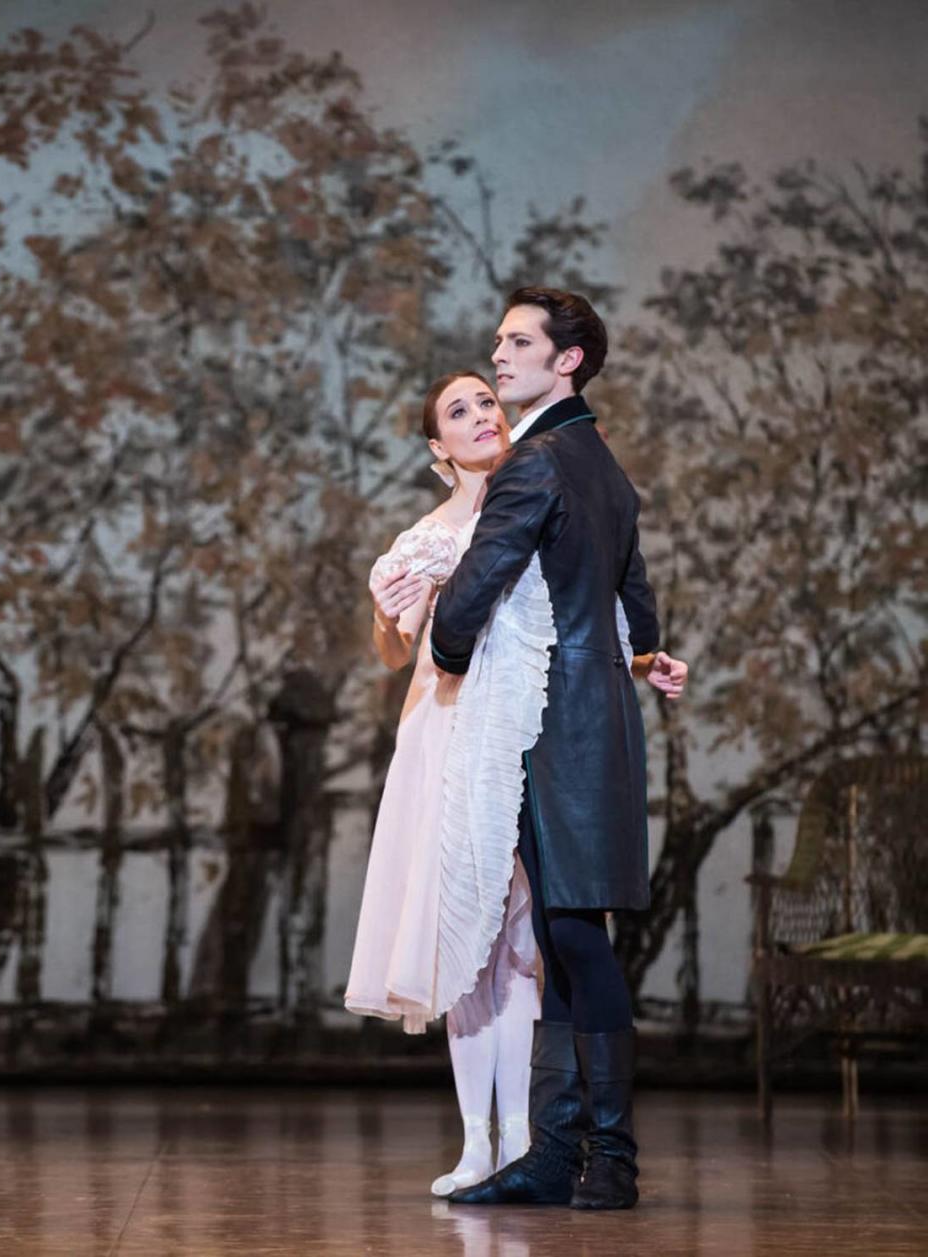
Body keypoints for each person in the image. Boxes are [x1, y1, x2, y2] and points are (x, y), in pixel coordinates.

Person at [346, 367, 686, 1199]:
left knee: (531, 950)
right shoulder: (427, 536)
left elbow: (579, 618)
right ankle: (480, 1139)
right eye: (459, 411)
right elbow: (396, 654)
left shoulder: (540, 497)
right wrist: (393, 616)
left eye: (486, 401)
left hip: (528, 745)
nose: (481, 415)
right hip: (451, 738)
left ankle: (536, 1139)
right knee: (470, 947)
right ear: (438, 446)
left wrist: (644, 658)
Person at [431, 287, 666, 1211]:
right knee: (569, 937)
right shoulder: (603, 466)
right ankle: (561, 1152)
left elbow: (470, 597)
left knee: (573, 935)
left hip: (551, 723)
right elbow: (636, 608)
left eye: (519, 342)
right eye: (498, 341)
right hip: (593, 714)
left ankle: (609, 1157)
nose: (499, 355)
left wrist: (446, 647)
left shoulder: (537, 464)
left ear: (567, 360)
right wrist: (646, 654)